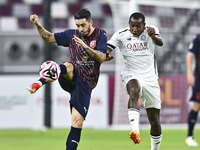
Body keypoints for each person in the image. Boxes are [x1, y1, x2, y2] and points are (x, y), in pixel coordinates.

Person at [26, 9, 107, 150]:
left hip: (86, 83)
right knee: (68, 65)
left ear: (91, 22)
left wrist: (85, 46)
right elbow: (48, 37)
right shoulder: (72, 34)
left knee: (77, 123)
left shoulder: (101, 34)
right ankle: (39, 82)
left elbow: (101, 57)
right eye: (78, 25)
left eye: (83, 25)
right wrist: (38, 24)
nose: (80, 29)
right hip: (70, 75)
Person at [106, 12, 163, 149]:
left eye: (138, 26)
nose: (135, 29)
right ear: (129, 24)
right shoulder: (121, 34)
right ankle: (135, 130)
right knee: (134, 91)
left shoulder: (151, 30)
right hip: (131, 73)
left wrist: (153, 36)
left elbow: (160, 43)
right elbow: (108, 48)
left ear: (144, 25)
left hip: (150, 78)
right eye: (132, 26)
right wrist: (106, 53)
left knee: (154, 121)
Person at [185, 34, 200, 147]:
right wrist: (190, 73)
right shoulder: (198, 38)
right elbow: (190, 55)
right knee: (196, 105)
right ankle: (189, 137)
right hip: (199, 77)